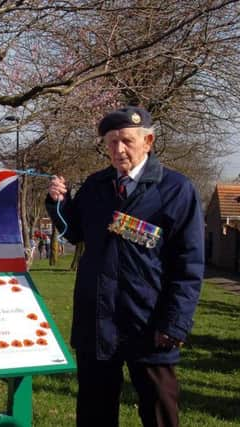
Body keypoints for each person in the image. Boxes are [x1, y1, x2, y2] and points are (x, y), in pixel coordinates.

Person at [46, 106, 204, 427]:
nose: (118, 150)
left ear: (148, 141)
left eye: (127, 141)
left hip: (149, 323)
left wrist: (174, 324)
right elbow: (74, 232)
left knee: (159, 409)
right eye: (111, 142)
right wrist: (58, 203)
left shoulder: (175, 190)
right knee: (95, 411)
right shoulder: (95, 186)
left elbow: (189, 263)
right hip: (97, 322)